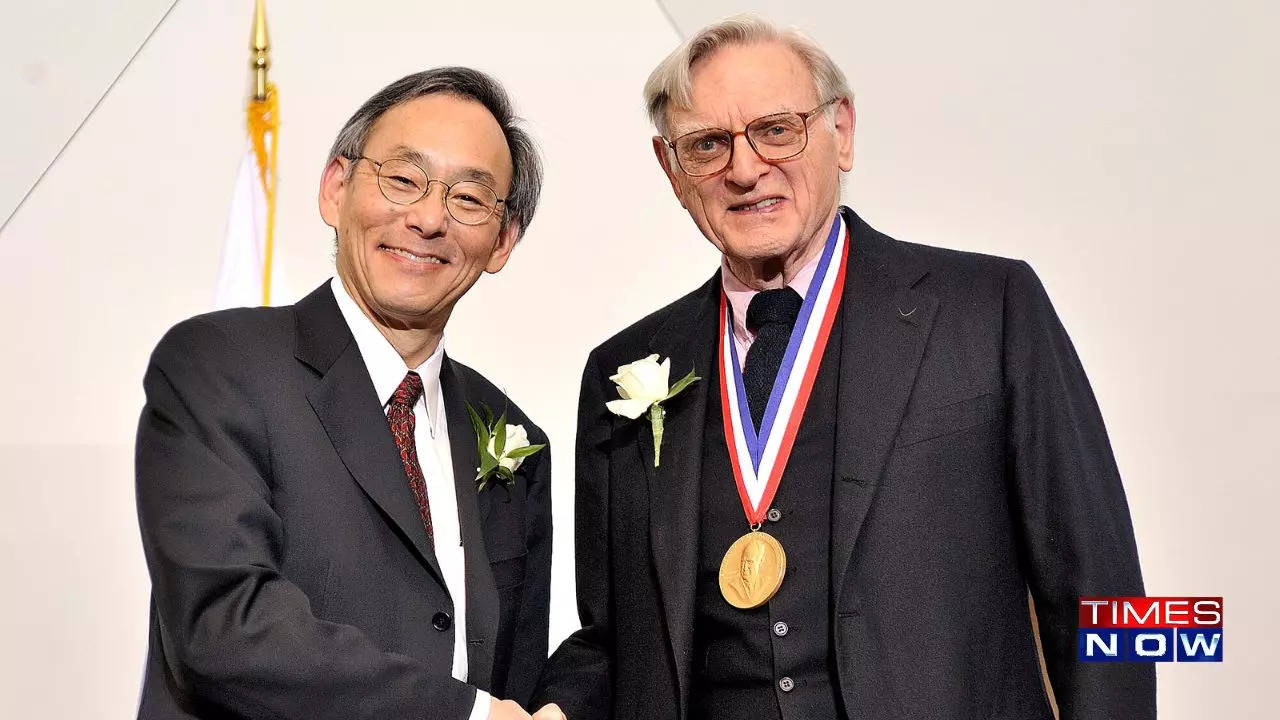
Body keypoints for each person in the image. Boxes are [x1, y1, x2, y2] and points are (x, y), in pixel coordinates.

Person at [535, 15, 1153, 720]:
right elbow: (613, 641)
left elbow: (1106, 591)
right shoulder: (621, 369)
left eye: (777, 129)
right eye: (707, 145)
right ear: (671, 170)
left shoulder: (990, 309)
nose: (743, 169)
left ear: (844, 132)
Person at [136, 67, 563, 720]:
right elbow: (225, 624)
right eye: (403, 179)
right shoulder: (218, 368)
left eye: (469, 200)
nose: (426, 219)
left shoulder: (513, 437)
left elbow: (517, 674)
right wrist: (465, 715)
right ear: (336, 188)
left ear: (502, 241)